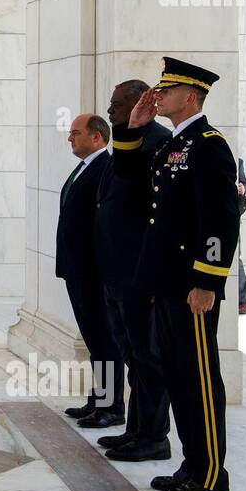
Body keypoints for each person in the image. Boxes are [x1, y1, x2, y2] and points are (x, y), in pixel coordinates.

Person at [111, 58, 240, 491]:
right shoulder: (172, 145)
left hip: (192, 288)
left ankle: (210, 477)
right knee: (180, 377)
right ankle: (192, 465)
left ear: (191, 96)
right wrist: (131, 130)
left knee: (199, 379)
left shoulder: (209, 145)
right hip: (165, 283)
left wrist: (207, 281)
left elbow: (220, 220)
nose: (157, 95)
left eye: (167, 91)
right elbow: (129, 178)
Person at [95, 80, 172, 462]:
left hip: (139, 275)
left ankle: (154, 436)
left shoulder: (157, 140)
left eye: (115, 104)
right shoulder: (129, 141)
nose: (109, 111)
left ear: (139, 101)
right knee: (132, 355)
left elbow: (158, 215)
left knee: (149, 357)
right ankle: (136, 430)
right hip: (118, 273)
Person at [55, 113, 122, 428]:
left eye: (76, 132)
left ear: (97, 137)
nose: (70, 138)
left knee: (105, 339)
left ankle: (111, 406)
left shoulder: (104, 168)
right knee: (94, 338)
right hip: (76, 269)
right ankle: (97, 400)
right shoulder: (84, 168)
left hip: (94, 273)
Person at [236, 157, 246, 314]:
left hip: (233, 214)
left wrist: (243, 189)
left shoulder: (238, 161)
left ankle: (242, 300)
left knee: (237, 257)